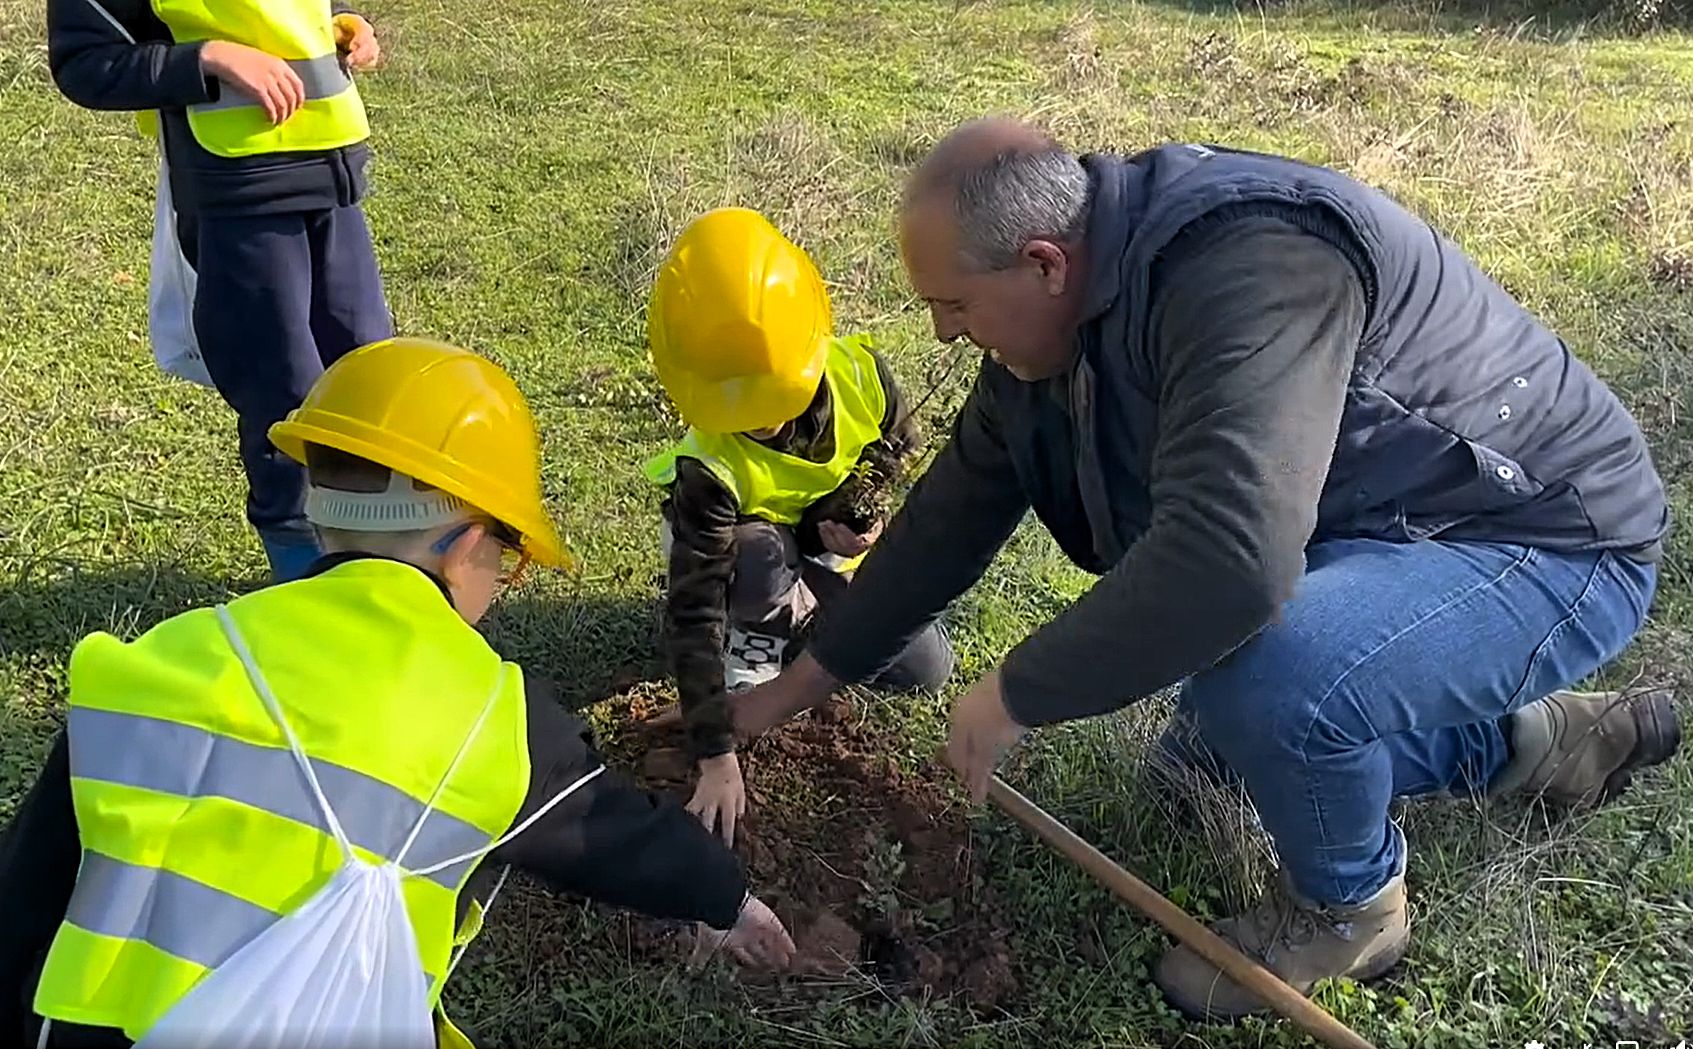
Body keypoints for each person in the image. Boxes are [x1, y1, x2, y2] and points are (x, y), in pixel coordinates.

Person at [730, 119, 1680, 1019]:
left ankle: (1351, 912)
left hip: (1545, 539)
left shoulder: (1250, 268)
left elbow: (1233, 561)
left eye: (953, 304)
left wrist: (1013, 691)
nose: (942, 332)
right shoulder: (1061, 321)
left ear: (1042, 263)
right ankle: (1537, 745)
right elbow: (948, 517)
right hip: (1389, 527)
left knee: (1272, 683)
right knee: (1202, 771)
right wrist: (796, 686)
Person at [0, 338, 794, 1049]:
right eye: (508, 562)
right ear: (467, 547)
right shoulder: (493, 715)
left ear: (321, 524)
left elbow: (26, 893)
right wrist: (729, 900)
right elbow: (623, 841)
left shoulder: (153, 662)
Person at [48, 0, 397, 581]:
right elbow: (85, 63)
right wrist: (208, 60)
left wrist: (346, 26)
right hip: (238, 194)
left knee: (365, 365)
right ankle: (299, 562)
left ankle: (381, 547)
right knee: (282, 386)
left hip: (329, 178)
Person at [642, 207, 955, 843]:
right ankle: (755, 637)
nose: (758, 425)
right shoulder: (708, 471)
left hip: (822, 560)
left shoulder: (862, 375)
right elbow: (693, 611)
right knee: (755, 553)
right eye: (741, 409)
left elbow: (898, 443)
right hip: (750, 563)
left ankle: (804, 610)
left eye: (771, 402)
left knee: (924, 669)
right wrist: (715, 750)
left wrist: (848, 512)